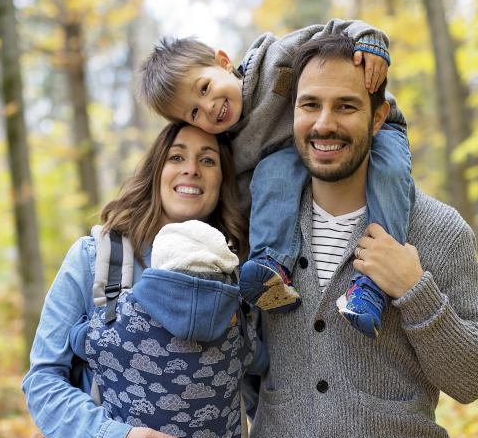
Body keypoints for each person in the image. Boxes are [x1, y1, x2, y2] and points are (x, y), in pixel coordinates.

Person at [247, 32, 478, 438]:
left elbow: (473, 379)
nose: (324, 124)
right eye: (310, 105)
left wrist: (414, 289)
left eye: (346, 106)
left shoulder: (436, 230)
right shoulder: (260, 228)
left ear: (379, 117)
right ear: (291, 115)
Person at [23, 123, 267, 438]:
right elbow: (42, 381)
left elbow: (252, 381)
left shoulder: (239, 273)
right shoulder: (96, 257)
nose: (191, 169)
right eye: (177, 157)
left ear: (222, 180)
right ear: (156, 170)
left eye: (207, 160)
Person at [136, 19, 414, 338]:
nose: (209, 108)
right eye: (194, 113)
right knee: (272, 171)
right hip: (304, 153)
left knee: (388, 174)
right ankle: (272, 266)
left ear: (224, 62)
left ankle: (372, 283)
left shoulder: (276, 59)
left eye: (204, 88)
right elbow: (245, 196)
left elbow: (336, 31)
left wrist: (369, 42)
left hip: (372, 131)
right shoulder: (233, 146)